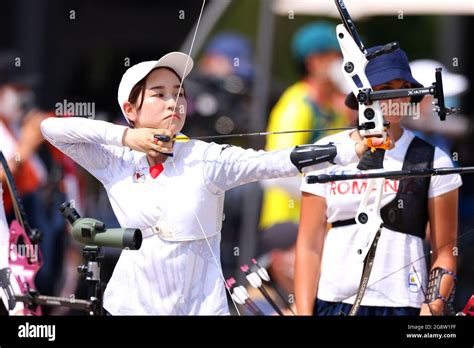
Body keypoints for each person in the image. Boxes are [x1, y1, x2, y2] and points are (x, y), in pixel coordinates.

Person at [41, 51, 377, 315]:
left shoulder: (207, 158)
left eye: (179, 94)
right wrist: (128, 137)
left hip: (199, 308)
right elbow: (51, 129)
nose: (174, 102)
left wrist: (350, 146)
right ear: (131, 108)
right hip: (129, 306)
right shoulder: (115, 159)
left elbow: (277, 161)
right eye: (159, 94)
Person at [295, 46, 462, 316]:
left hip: (402, 305)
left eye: (404, 87)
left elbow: (445, 251)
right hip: (332, 303)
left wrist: (431, 307)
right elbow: (309, 246)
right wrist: (304, 312)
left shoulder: (435, 160)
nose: (397, 95)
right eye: (386, 86)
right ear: (364, 93)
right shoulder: (326, 152)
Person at [259, 21, 347, 234]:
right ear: (314, 61)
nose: (343, 64)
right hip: (286, 226)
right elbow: (277, 169)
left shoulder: (332, 109)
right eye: (337, 56)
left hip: (318, 226)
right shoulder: (297, 103)